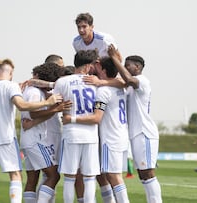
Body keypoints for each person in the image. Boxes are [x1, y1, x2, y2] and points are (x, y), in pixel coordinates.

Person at [0, 58, 62, 203]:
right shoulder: (11, 86)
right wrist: (48, 103)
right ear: (11, 72)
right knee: (16, 175)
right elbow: (21, 105)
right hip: (5, 136)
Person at [62, 57, 130, 203]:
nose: (94, 68)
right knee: (101, 175)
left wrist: (71, 119)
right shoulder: (120, 87)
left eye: (98, 67)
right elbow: (124, 81)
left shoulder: (103, 91)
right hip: (121, 135)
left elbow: (96, 118)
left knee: (112, 176)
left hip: (109, 138)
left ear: (103, 70)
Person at [108, 45, 163, 203]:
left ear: (137, 67)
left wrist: (114, 58)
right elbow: (123, 80)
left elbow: (128, 79)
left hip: (144, 133)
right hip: (136, 133)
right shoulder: (131, 86)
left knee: (148, 173)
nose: (124, 67)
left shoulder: (142, 81)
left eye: (127, 65)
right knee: (143, 174)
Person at [20, 63, 71, 203]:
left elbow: (37, 115)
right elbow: (34, 113)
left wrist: (55, 108)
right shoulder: (34, 92)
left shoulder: (39, 92)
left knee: (32, 179)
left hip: (30, 138)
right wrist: (55, 109)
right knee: (53, 175)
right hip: (36, 140)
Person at [54, 49, 100, 203]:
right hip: (91, 136)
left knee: (69, 178)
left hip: (71, 134)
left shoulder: (62, 82)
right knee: (89, 178)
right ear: (87, 66)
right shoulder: (96, 83)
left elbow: (55, 103)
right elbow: (98, 111)